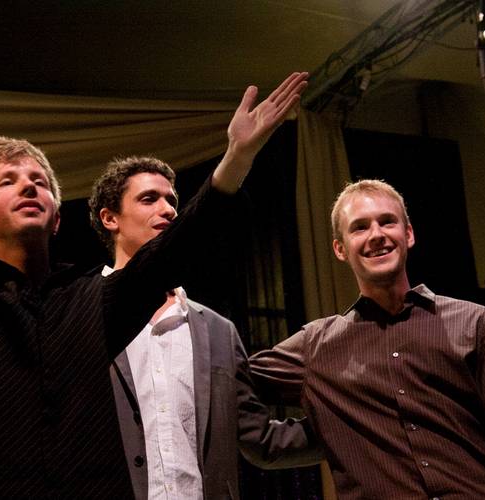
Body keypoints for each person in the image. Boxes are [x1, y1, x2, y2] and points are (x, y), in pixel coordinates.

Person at [0, 17, 308, 499]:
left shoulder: (91, 300)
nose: (28, 185)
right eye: (8, 181)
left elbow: (173, 252)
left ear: (57, 220)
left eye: (41, 182)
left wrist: (236, 159)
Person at [249, 179, 485, 499]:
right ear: (340, 249)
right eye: (360, 227)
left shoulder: (475, 323)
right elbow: (229, 377)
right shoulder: (317, 347)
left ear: (408, 234)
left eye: (387, 221)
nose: (377, 235)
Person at [88, 157, 321, 499]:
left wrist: (352, 428)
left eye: (172, 201)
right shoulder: (81, 313)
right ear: (110, 218)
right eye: (149, 199)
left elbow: (259, 439)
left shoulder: (217, 331)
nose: (167, 209)